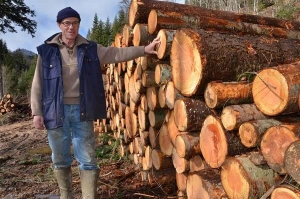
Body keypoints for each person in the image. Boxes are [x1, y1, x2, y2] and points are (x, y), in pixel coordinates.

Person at [30, 6, 160, 199]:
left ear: (78, 24)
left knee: (88, 158)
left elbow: (116, 54)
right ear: (59, 25)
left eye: (75, 23)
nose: (71, 27)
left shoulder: (90, 48)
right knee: (60, 158)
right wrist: (37, 112)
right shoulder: (46, 51)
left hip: (83, 110)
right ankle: (66, 196)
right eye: (66, 23)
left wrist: (143, 50)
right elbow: (37, 84)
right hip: (55, 111)